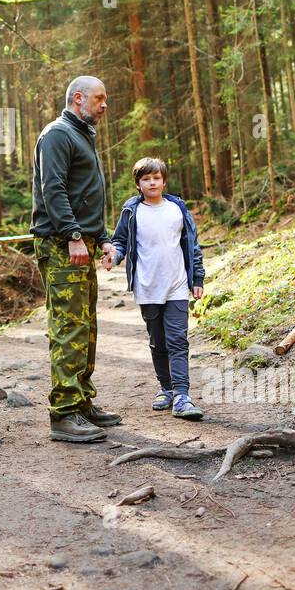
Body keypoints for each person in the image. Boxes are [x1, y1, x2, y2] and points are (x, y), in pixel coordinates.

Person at [30, 75, 122, 443]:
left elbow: (84, 193)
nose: (104, 105)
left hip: (80, 241)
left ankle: (82, 402)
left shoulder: (82, 134)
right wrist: (71, 234)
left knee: (85, 326)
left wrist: (100, 237)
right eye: (99, 99)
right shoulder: (56, 135)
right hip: (59, 242)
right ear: (78, 98)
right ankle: (64, 413)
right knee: (68, 327)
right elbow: (52, 188)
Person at [110, 156, 205, 420]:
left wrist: (197, 278)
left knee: (177, 339)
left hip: (176, 284)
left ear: (164, 181)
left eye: (156, 178)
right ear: (138, 184)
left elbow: (192, 245)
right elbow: (120, 242)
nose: (152, 182)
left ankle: (183, 396)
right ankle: (166, 388)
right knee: (158, 341)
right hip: (147, 286)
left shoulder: (177, 208)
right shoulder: (132, 211)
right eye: (146, 179)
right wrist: (114, 256)